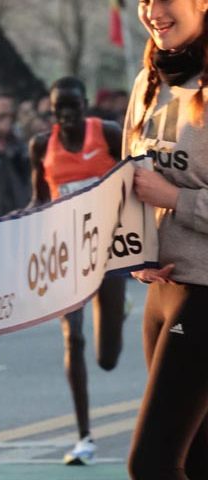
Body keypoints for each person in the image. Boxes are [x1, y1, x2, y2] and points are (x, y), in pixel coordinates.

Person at [124, 1, 208, 478]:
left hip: (204, 293)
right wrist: (135, 250)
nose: (152, 10)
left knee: (152, 464)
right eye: (143, 0)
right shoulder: (147, 82)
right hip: (161, 291)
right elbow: (129, 184)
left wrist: (174, 198)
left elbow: (159, 189)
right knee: (196, 461)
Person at [27, 76, 127, 465]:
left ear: (85, 105)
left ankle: (118, 312)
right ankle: (84, 437)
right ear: (52, 111)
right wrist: (20, 223)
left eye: (73, 107)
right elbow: (38, 198)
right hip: (66, 254)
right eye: (59, 110)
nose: (67, 116)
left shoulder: (109, 133)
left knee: (107, 357)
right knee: (74, 340)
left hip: (111, 252)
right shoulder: (41, 146)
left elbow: (135, 175)